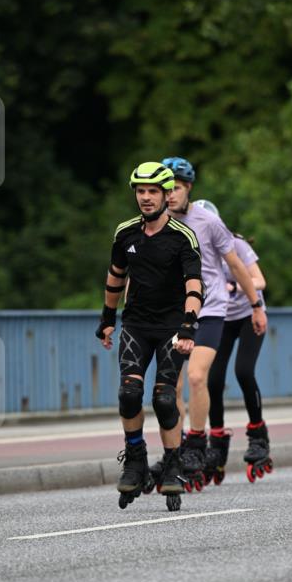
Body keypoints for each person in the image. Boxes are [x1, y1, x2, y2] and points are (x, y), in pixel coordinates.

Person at [95, 161, 203, 508]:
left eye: (152, 191)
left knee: (164, 399)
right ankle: (136, 458)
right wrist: (108, 318)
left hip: (173, 327)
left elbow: (194, 284)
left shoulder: (182, 237)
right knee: (129, 394)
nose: (145, 198)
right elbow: (115, 277)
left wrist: (189, 324)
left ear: (166, 193)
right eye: (140, 191)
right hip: (137, 325)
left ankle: (172, 466)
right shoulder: (125, 233)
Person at [162, 156, 267, 486]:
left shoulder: (211, 224)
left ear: (188, 188)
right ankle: (183, 450)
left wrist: (255, 304)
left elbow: (241, 269)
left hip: (219, 312)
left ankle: (238, 437)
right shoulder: (155, 222)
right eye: (164, 189)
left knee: (226, 374)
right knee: (183, 385)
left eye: (175, 188)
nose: (168, 195)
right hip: (178, 313)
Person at [195, 200, 272, 484]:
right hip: (221, 320)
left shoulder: (235, 244)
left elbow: (259, 280)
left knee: (243, 371)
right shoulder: (196, 251)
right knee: (213, 379)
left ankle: (258, 435)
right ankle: (216, 442)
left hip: (249, 315)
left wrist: (235, 288)